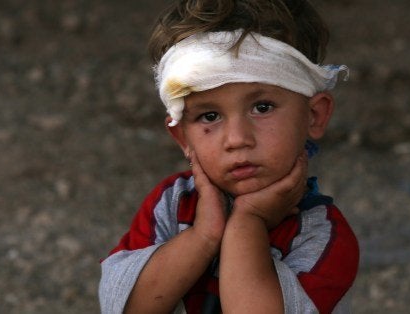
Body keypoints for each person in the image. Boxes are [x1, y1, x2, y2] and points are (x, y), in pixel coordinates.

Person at [99, 0, 359, 313]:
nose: (237, 139)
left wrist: (248, 220)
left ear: (314, 115)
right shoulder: (171, 205)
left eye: (262, 108)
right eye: (209, 116)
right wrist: (204, 235)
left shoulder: (321, 235)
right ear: (183, 138)